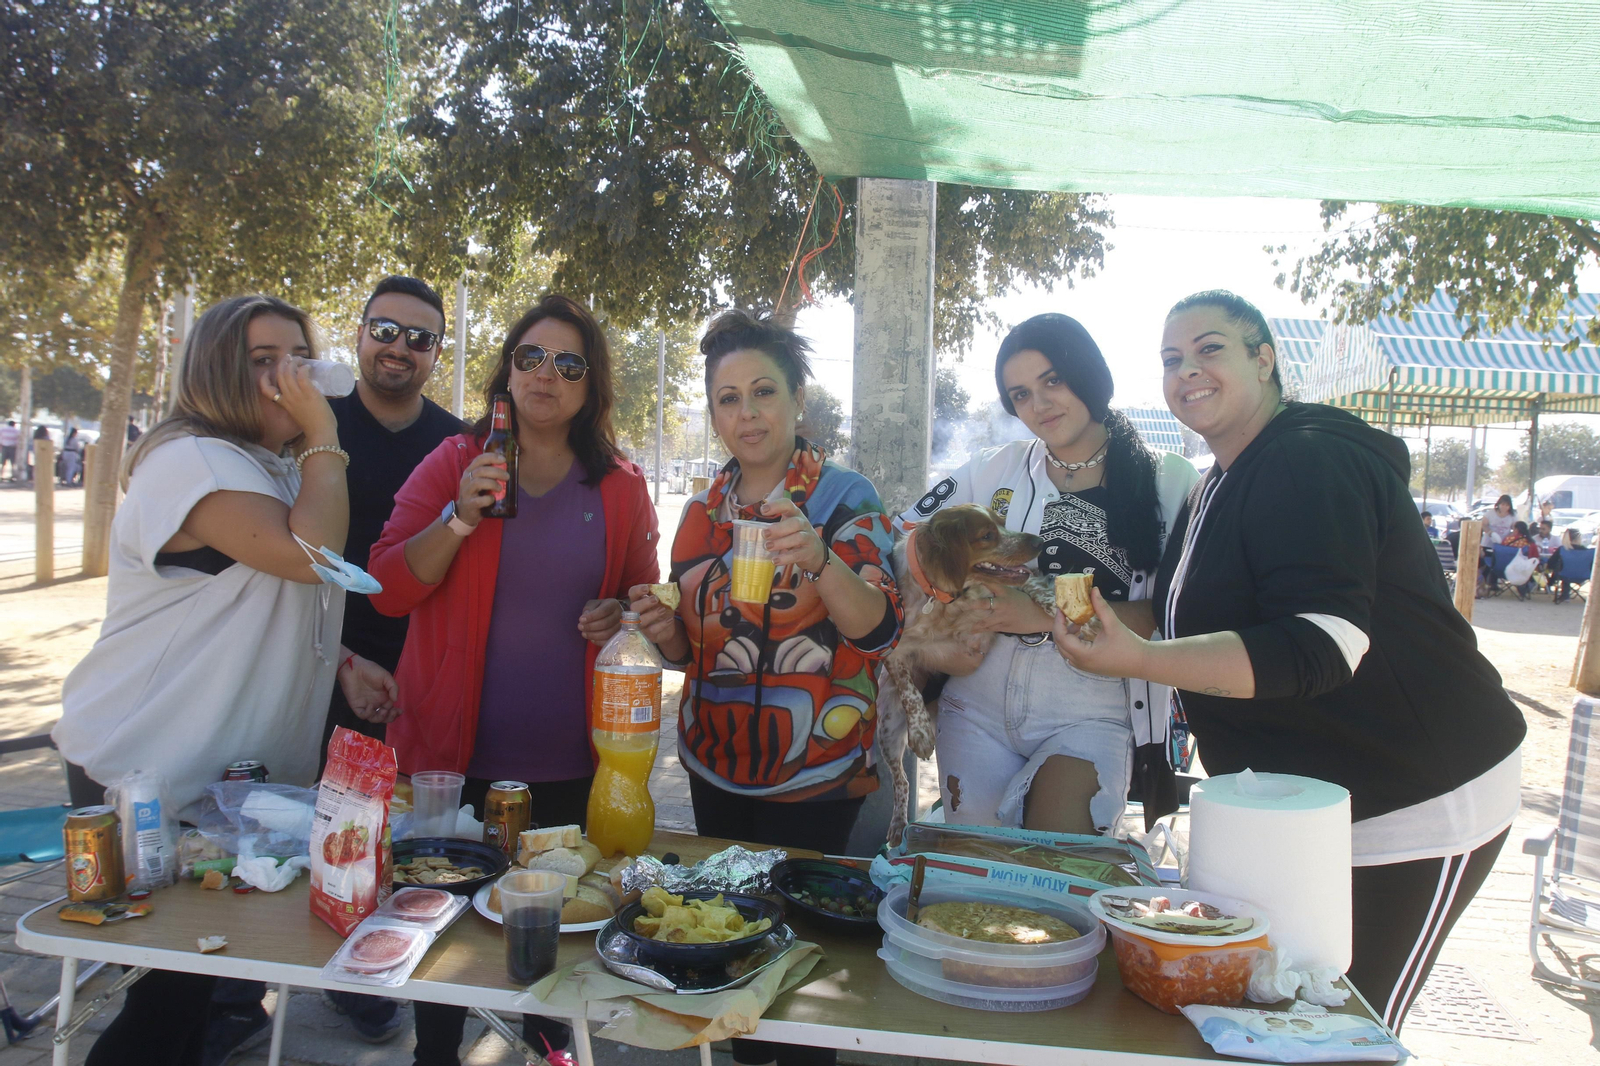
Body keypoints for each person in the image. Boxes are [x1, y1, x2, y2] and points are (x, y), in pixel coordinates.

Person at [1054, 289, 1524, 1033]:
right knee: (1274, 1010)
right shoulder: (1218, 481)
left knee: (1346, 1028)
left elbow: (1322, 643)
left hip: (1416, 792)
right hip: (1302, 807)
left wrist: (1138, 658)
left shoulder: (1310, 460)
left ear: (1265, 358)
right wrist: (1071, 625)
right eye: (1172, 359)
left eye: (1211, 349)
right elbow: (1176, 622)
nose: (1187, 371)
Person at [51, 295, 402, 1066]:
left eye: (296, 355)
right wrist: (324, 432)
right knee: (166, 995)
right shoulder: (192, 461)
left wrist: (341, 660)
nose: (288, 375)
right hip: (146, 772)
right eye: (262, 360)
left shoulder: (262, 467)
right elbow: (309, 553)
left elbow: (261, 591)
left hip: (221, 786)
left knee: (199, 989)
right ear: (216, 371)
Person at [369, 293, 657, 1066]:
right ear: (507, 370)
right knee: (443, 947)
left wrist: (620, 614)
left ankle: (550, 1052)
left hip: (573, 768)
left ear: (590, 386)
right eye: (531, 357)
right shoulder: (459, 462)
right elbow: (389, 584)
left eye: (570, 364)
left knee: (553, 957)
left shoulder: (622, 485)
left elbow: (644, 599)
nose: (547, 376)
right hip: (451, 763)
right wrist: (457, 520)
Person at [201, 276, 464, 1062]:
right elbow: (285, 551)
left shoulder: (455, 442)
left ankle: (357, 985)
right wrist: (342, 657)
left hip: (408, 675)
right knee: (274, 829)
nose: (400, 348)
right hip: (309, 664)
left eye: (420, 338)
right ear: (358, 335)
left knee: (377, 839)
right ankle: (232, 995)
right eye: (386, 329)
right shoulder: (307, 424)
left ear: (436, 354)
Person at [630, 308, 899, 1066]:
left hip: (819, 778)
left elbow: (878, 630)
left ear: (798, 398)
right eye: (728, 398)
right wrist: (659, 623)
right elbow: (692, 650)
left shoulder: (846, 498)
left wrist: (820, 560)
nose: (746, 414)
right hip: (717, 767)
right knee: (733, 959)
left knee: (806, 990)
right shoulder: (699, 512)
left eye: (763, 392)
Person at [891, 313, 1197, 833]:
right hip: (976, 709)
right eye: (1021, 394)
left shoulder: (1170, 481)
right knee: (979, 885)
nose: (1040, 404)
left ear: (1089, 372)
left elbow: (1168, 618)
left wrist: (1033, 614)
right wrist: (940, 624)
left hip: (1090, 712)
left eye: (1052, 380)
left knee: (1058, 876)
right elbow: (901, 544)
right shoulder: (991, 469)